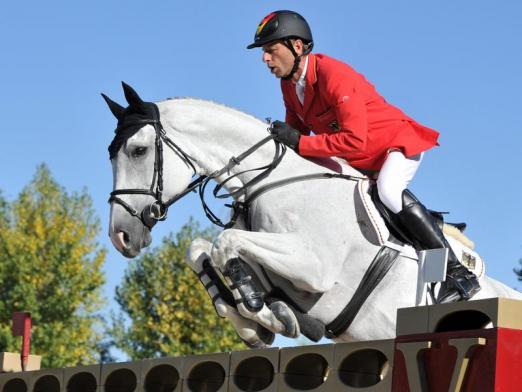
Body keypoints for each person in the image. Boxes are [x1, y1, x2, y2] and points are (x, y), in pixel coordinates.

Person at [247, 10, 480, 304]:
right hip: (360, 160)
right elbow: (296, 140)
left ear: (296, 45)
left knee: (389, 190)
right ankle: (430, 224)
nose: (265, 59)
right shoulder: (289, 86)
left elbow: (354, 139)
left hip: (395, 146)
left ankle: (457, 271)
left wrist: (301, 143)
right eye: (264, 53)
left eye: (270, 50)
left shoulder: (334, 75)